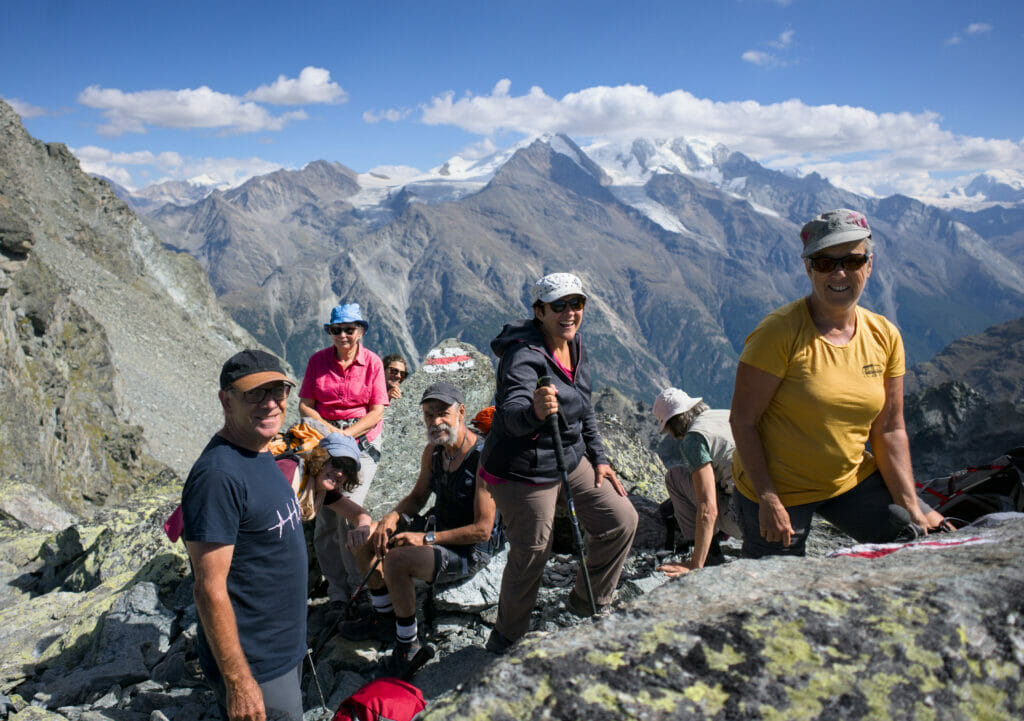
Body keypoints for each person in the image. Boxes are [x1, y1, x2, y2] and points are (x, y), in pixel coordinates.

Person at [730, 209, 944, 558]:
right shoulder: (778, 332)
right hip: (778, 489)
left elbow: (889, 428)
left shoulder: (884, 335)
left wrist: (913, 507)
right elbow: (743, 420)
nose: (840, 272)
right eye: (825, 263)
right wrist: (768, 498)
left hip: (848, 480)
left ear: (869, 265)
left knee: (917, 541)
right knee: (773, 593)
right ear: (808, 269)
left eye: (852, 260)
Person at [479, 272, 638, 654]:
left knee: (622, 520)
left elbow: (584, 409)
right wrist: (534, 411)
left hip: (568, 457)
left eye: (576, 304)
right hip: (523, 470)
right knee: (533, 552)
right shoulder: (522, 357)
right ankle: (505, 639)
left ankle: (588, 600)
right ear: (539, 311)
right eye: (559, 306)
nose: (569, 312)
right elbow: (512, 412)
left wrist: (599, 459)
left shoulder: (575, 345)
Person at [343, 381, 501, 675]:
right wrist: (392, 517)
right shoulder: (435, 451)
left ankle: (407, 644)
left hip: (469, 549)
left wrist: (425, 538)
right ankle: (384, 616)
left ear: (461, 411)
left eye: (443, 412)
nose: (436, 420)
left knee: (397, 561)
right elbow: (417, 497)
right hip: (438, 530)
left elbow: (482, 530)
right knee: (361, 538)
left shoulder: (483, 458)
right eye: (429, 415)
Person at [181, 349, 305, 721]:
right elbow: (208, 587)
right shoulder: (218, 475)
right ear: (226, 399)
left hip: (283, 648)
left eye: (278, 391)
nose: (270, 404)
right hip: (257, 665)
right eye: (255, 394)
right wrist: (239, 681)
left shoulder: (259, 448)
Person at [298, 303, 389, 617]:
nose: (343, 335)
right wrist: (328, 431)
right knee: (325, 519)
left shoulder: (373, 363)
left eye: (349, 329)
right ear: (330, 333)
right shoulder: (317, 362)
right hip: (325, 443)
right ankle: (338, 590)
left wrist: (348, 433)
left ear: (360, 331)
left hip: (360, 443)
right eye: (336, 330)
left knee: (347, 513)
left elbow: (377, 411)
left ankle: (358, 586)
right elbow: (306, 407)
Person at [652, 387, 742, 577]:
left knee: (675, 477)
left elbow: (708, 509)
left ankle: (708, 556)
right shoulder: (724, 415)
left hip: (747, 520)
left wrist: (695, 565)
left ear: (672, 424)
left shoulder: (694, 440)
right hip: (783, 507)